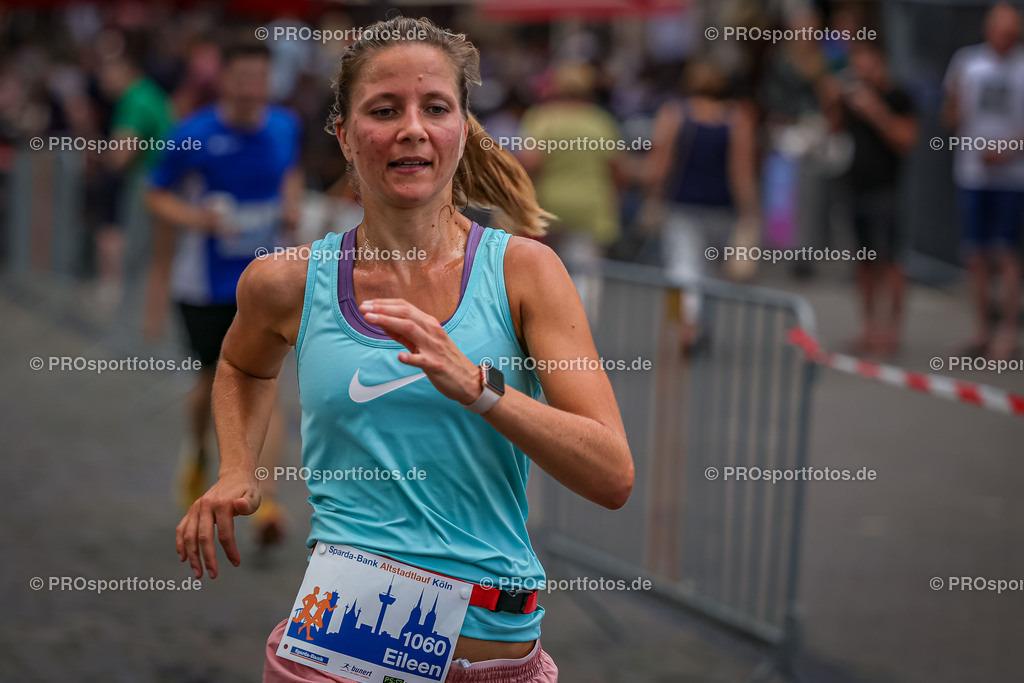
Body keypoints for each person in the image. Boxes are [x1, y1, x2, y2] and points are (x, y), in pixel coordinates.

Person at [173, 16, 634, 683]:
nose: (411, 127)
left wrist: (481, 386)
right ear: (346, 136)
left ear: (460, 129)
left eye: (435, 108)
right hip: (338, 649)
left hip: (491, 651)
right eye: (384, 110)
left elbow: (612, 473)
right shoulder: (287, 281)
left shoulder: (526, 273)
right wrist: (238, 468)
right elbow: (242, 364)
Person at [147, 41, 303, 542]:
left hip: (267, 280)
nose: (253, 88)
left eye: (262, 78)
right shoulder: (194, 134)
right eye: (244, 78)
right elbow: (155, 194)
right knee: (213, 381)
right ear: (226, 80)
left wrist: (291, 206)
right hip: (205, 283)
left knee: (267, 383)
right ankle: (196, 451)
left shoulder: (284, 126)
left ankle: (268, 499)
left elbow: (291, 173)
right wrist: (199, 219)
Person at [647, 60, 758, 352]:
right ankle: (700, 325)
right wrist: (750, 212)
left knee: (681, 268)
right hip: (722, 208)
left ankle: (684, 326)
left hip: (681, 205)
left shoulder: (674, 114)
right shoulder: (736, 119)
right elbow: (741, 172)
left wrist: (654, 196)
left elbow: (661, 164)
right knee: (710, 270)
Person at [821, 41, 917, 356]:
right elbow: (833, 133)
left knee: (891, 262)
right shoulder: (850, 98)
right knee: (863, 263)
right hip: (855, 189)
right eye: (856, 64)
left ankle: (892, 331)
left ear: (881, 64)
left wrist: (875, 111)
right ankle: (869, 328)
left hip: (886, 190)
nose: (862, 71)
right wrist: (832, 103)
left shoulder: (897, 96)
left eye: (867, 64)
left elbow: (905, 139)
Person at [942, 2, 1024, 360]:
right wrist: (955, 107)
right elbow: (950, 116)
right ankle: (980, 329)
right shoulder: (968, 62)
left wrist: (1010, 150)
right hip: (973, 173)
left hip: (1013, 177)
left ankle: (1007, 331)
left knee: (1006, 252)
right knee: (976, 254)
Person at [518, 62, 623, 321]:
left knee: (540, 273)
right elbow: (616, 170)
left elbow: (530, 163)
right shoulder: (601, 122)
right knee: (584, 276)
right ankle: (579, 334)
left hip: (546, 207)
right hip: (589, 209)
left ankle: (543, 332)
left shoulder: (543, 118)